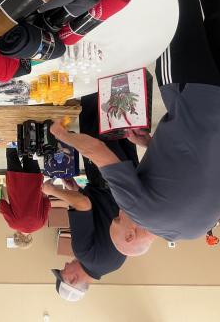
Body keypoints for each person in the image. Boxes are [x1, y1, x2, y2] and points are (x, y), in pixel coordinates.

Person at [50, 0, 220, 256]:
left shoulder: (194, 229)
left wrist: (150, 143)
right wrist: (63, 135)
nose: (118, 212)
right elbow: (99, 152)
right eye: (117, 219)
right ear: (131, 234)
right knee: (176, 25)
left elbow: (195, 174)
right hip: (193, 98)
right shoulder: (141, 213)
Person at [46, 94, 137, 302]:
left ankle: (118, 74)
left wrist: (76, 188)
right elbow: (84, 205)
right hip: (107, 173)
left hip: (128, 179)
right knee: (94, 112)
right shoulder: (84, 254)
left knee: (118, 116)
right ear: (72, 279)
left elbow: (102, 212)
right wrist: (52, 191)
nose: (65, 265)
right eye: (63, 272)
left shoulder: (112, 265)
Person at [0, 148, 51, 249]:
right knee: (11, 152)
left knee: (29, 150)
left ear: (29, 238)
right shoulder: (14, 224)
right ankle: (11, 134)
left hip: (34, 181)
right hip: (15, 181)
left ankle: (28, 134)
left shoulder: (40, 224)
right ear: (17, 236)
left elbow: (47, 202)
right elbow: (2, 204)